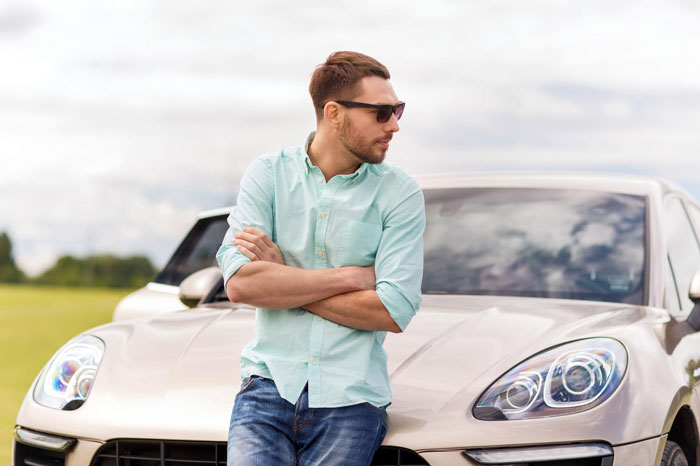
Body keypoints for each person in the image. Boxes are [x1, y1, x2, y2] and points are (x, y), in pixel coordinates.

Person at [216, 51, 426, 466]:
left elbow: (393, 309)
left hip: (351, 400)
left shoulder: (400, 194)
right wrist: (351, 277)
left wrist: (282, 280)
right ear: (334, 113)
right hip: (266, 388)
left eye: (397, 110)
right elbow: (241, 284)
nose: (395, 125)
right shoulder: (268, 175)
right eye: (382, 112)